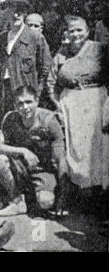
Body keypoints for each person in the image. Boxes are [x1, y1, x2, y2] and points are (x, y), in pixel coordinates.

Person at [47, 16, 109, 192]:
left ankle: (100, 193)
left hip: (97, 103)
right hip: (71, 107)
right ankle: (82, 191)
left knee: (98, 148)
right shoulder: (61, 54)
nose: (75, 34)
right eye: (71, 30)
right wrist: (57, 104)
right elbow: (51, 83)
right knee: (77, 150)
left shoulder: (100, 50)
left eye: (79, 30)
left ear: (88, 31)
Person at [0, 86, 66, 216]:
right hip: (21, 168)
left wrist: (62, 196)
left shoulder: (49, 121)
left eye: (28, 102)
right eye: (20, 103)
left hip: (42, 170)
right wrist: (24, 151)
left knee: (46, 202)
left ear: (36, 101)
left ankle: (36, 195)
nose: (25, 108)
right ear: (15, 105)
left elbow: (61, 159)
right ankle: (18, 202)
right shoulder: (11, 118)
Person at [0, 0, 52, 118]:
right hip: (5, 93)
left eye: (20, 11)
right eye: (12, 11)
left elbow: (45, 69)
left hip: (26, 93)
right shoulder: (2, 39)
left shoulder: (35, 37)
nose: (16, 15)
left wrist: (36, 95)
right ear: (6, 13)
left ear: (25, 14)